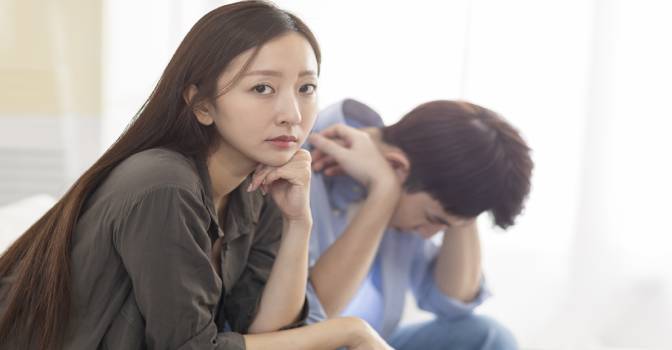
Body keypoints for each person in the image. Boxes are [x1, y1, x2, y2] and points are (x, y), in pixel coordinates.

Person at [0, 2, 390, 349]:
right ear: (201, 104)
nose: (292, 113)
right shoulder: (164, 184)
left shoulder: (259, 185)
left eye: (306, 87)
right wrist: (348, 331)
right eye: (262, 88)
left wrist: (297, 223)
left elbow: (266, 331)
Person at [295, 98, 532, 349]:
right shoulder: (301, 165)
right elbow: (308, 322)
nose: (428, 234)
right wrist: (384, 191)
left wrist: (471, 199)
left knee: (490, 338)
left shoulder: (416, 173)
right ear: (398, 166)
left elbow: (453, 301)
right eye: (433, 219)